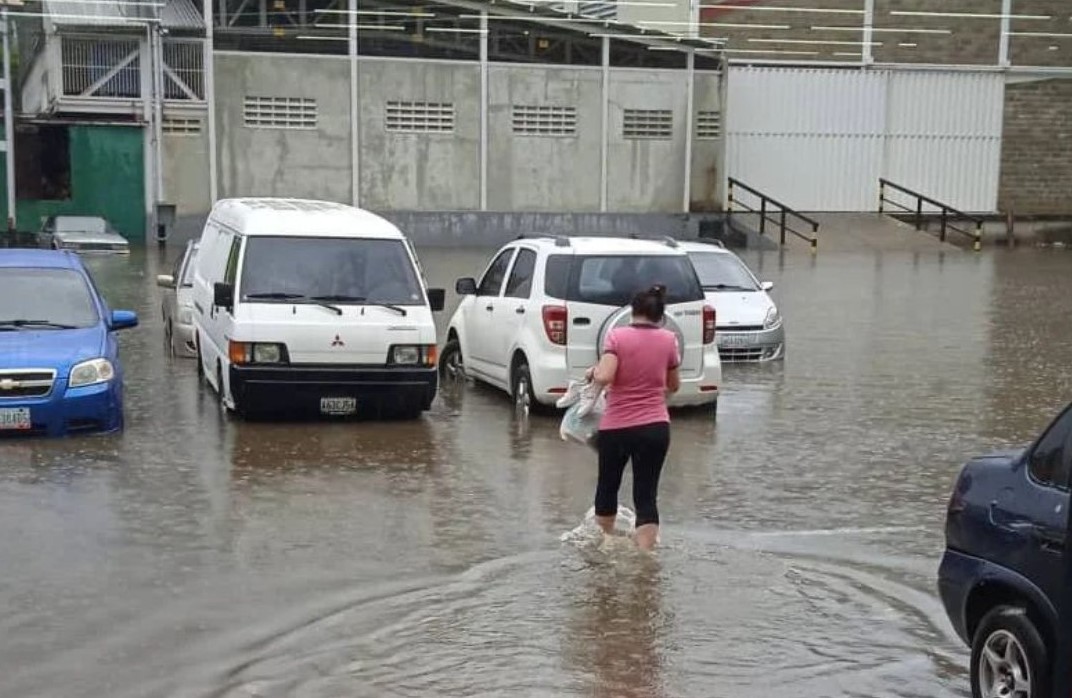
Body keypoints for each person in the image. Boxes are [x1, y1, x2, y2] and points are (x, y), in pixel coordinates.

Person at [585, 285, 680, 550]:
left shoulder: (616, 337)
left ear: (632, 311)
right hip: (655, 427)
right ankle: (646, 561)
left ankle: (602, 552)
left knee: (608, 487)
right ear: (659, 316)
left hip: (617, 427)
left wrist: (593, 371)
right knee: (646, 495)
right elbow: (673, 385)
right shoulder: (669, 340)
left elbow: (605, 376)